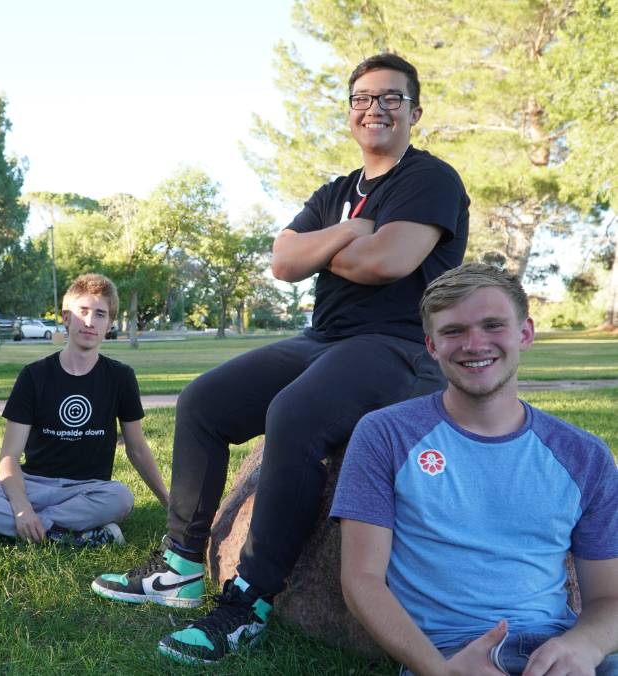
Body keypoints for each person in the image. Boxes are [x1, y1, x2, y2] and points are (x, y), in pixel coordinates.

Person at [92, 52, 470, 665]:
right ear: (350, 112)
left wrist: (326, 248)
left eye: (391, 98)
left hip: (399, 345)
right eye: (363, 98)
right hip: (322, 338)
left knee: (295, 412)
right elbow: (284, 262)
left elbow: (389, 263)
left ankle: (249, 600)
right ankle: (183, 565)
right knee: (203, 402)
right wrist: (351, 231)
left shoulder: (431, 179)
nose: (375, 107)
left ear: (414, 111)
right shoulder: (336, 192)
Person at [331, 263, 618, 675]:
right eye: (453, 331)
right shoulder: (386, 435)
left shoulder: (583, 455)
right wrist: (438, 670)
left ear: (525, 333)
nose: (474, 344)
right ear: (431, 346)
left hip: (559, 648)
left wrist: (585, 645)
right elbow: (361, 580)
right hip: (448, 656)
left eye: (492, 325)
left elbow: (609, 597)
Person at [0, 273, 168, 547]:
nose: (90, 322)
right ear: (66, 317)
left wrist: (169, 502)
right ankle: (71, 534)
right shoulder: (34, 375)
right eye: (82, 311)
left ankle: (7, 531)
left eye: (100, 314)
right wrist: (22, 507)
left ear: (110, 325)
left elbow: (137, 448)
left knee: (121, 498)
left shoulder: (120, 377)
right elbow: (9, 455)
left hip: (87, 490)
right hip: (32, 484)